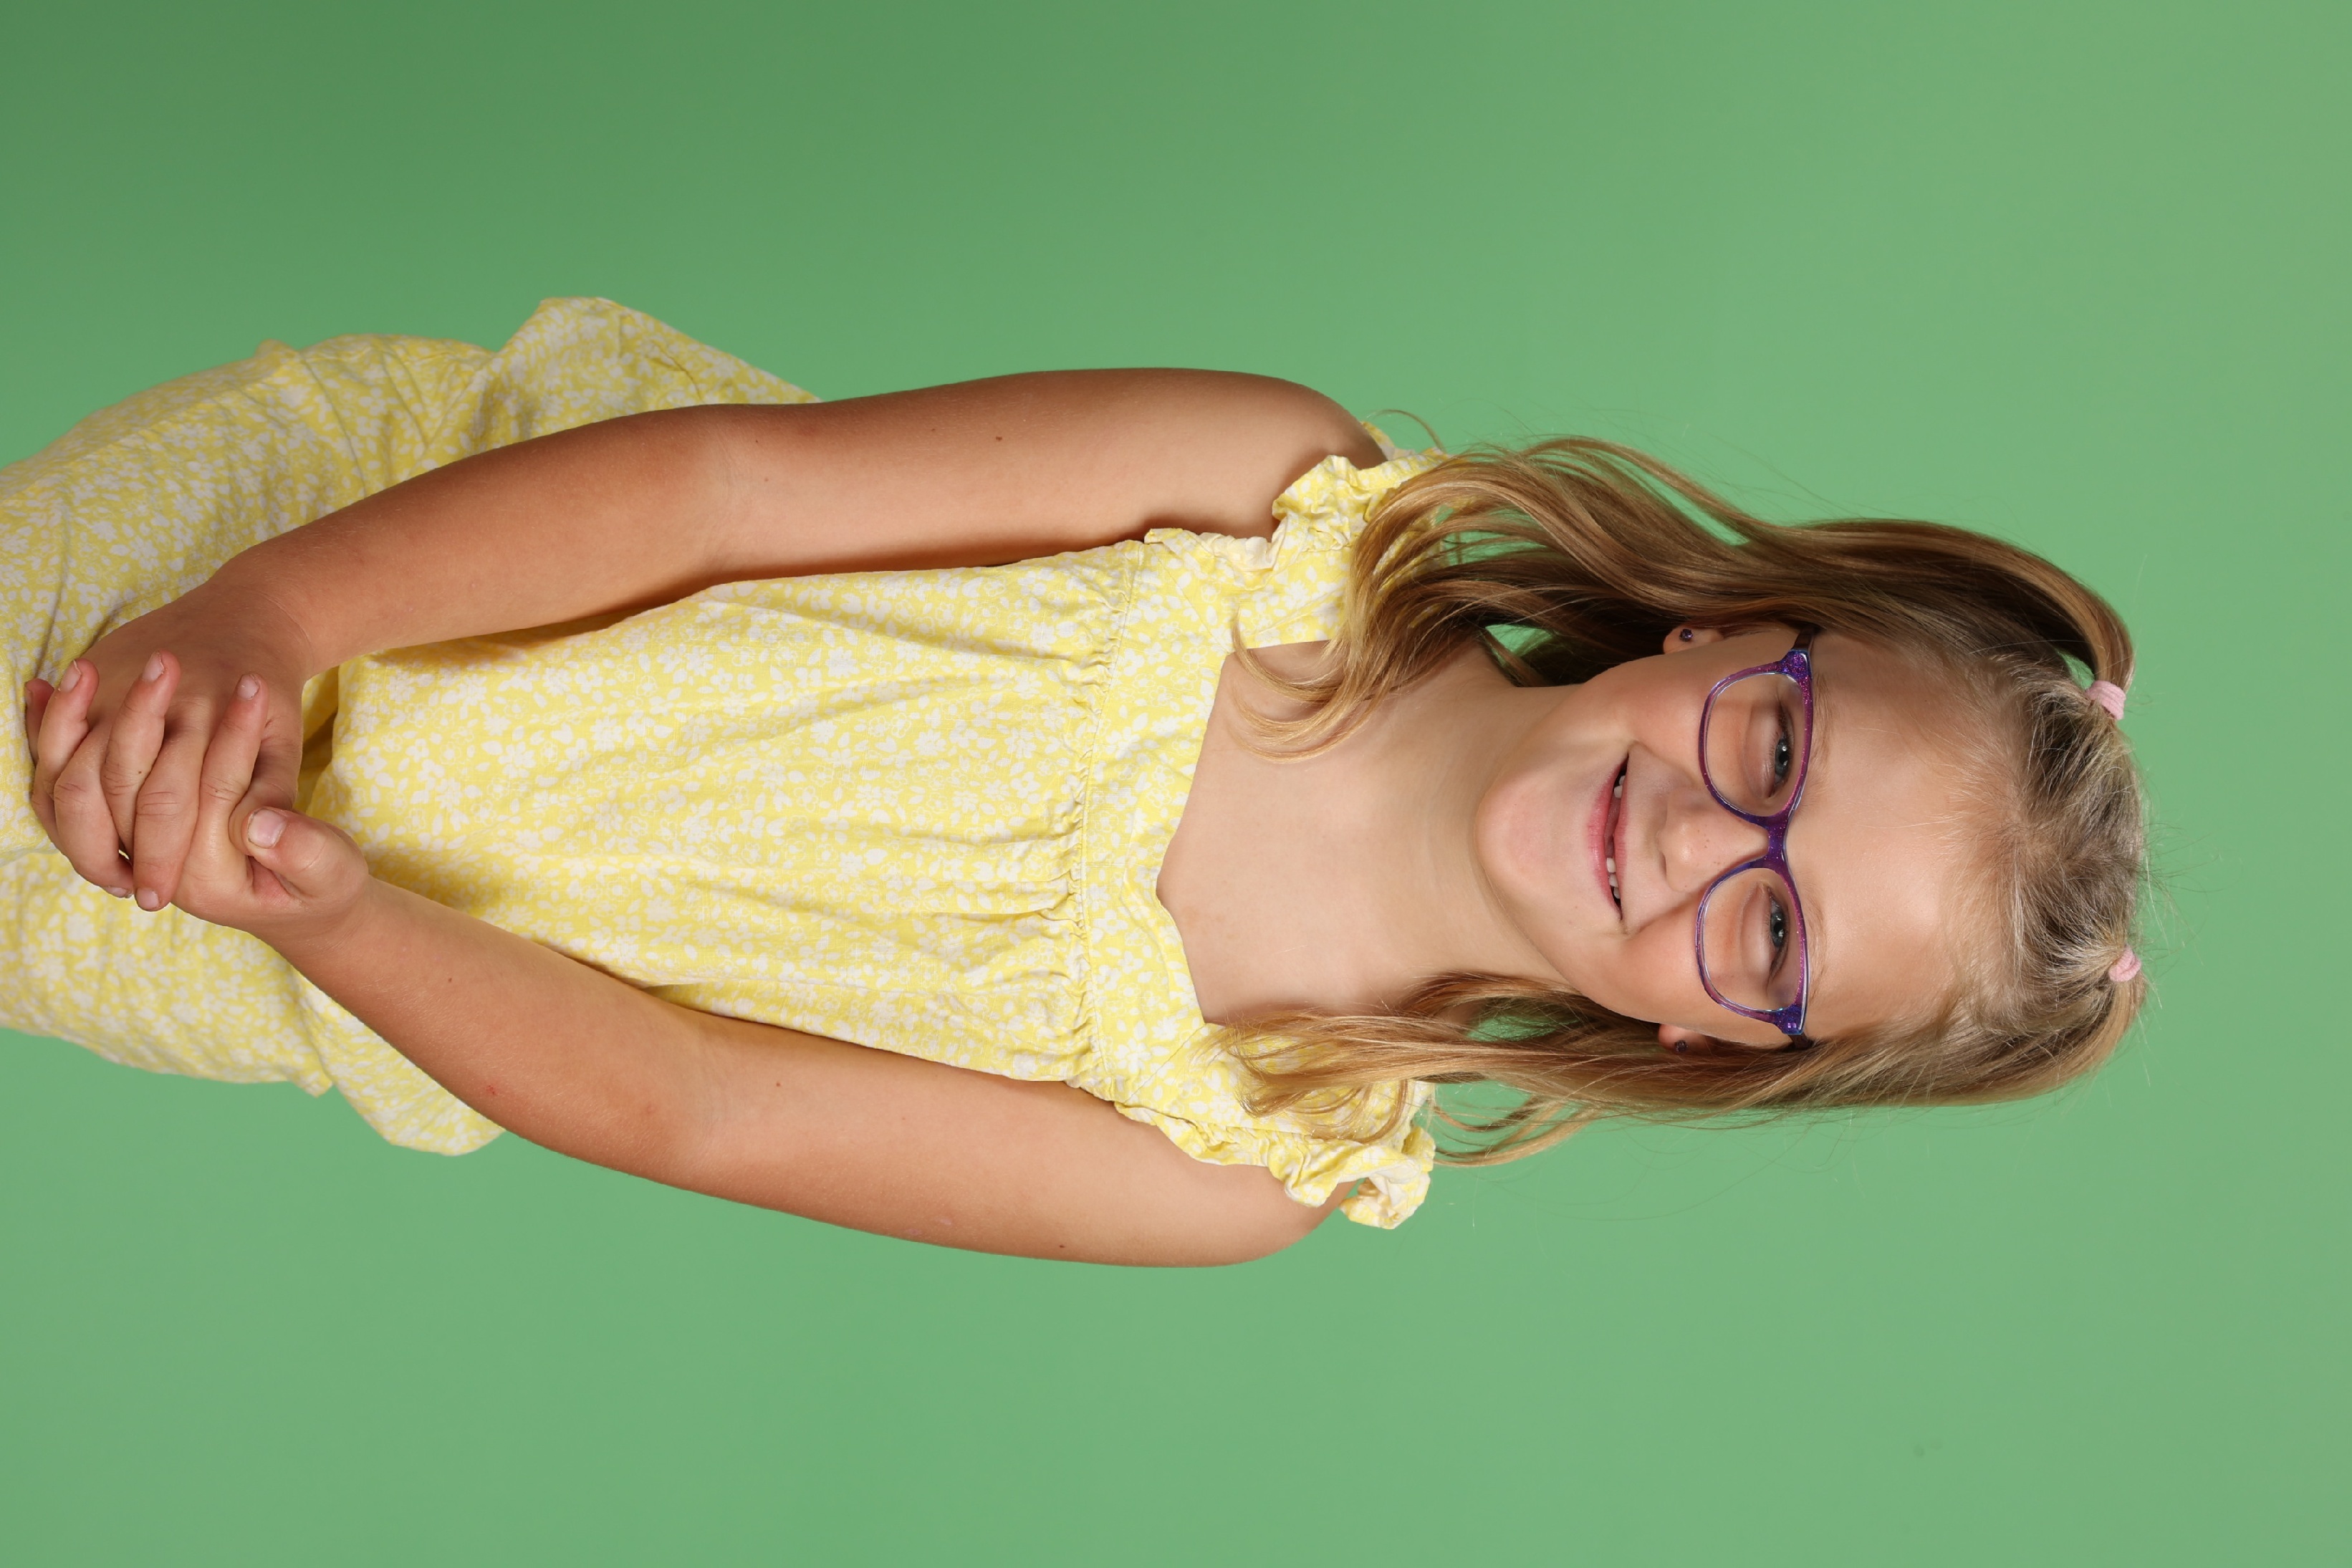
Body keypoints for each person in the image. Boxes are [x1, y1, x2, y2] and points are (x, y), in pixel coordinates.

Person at [4, 299, 2149, 1266]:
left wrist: (331, 908)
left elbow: (705, 1108)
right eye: (1773, 751)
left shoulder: (1234, 1156)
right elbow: (728, 489)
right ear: (1723, 638)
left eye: (1765, 930)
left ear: (1715, 1038)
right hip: (345, 556)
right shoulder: (1262, 499)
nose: (1692, 841)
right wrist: (270, 613)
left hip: (294, 932)